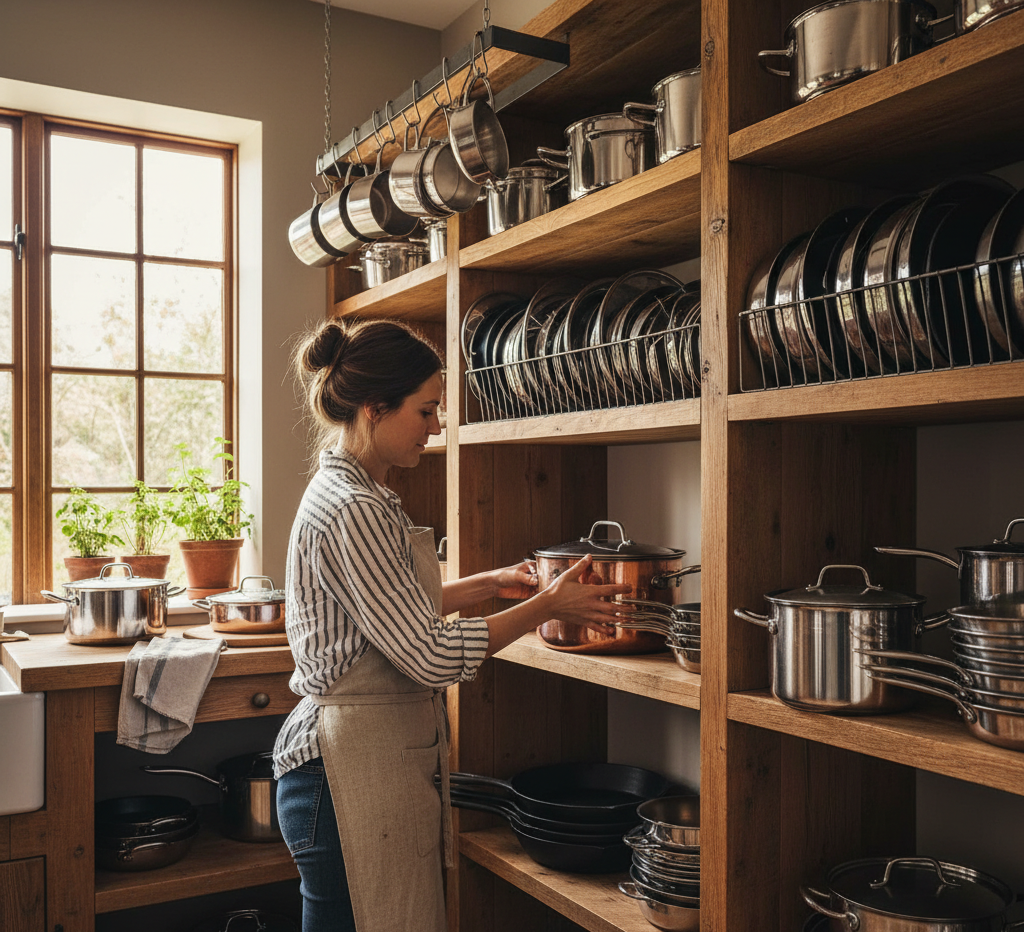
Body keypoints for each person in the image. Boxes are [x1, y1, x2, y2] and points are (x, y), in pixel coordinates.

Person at [273, 318, 632, 932]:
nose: (438, 426)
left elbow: (386, 612)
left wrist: (490, 585)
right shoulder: (355, 507)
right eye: (427, 409)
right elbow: (430, 655)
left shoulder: (350, 489)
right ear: (373, 409)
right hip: (340, 778)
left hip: (348, 768)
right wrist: (547, 607)